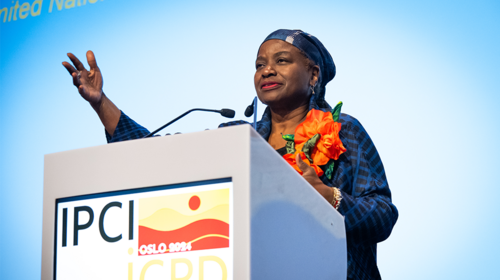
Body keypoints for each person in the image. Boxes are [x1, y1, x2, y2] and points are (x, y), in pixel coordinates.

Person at [63, 29, 398, 280]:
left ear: (313, 75)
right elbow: (157, 156)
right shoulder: (237, 138)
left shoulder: (344, 129)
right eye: (259, 64)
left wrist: (330, 197)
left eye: (281, 61)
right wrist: (100, 102)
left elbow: (383, 214)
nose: (266, 71)